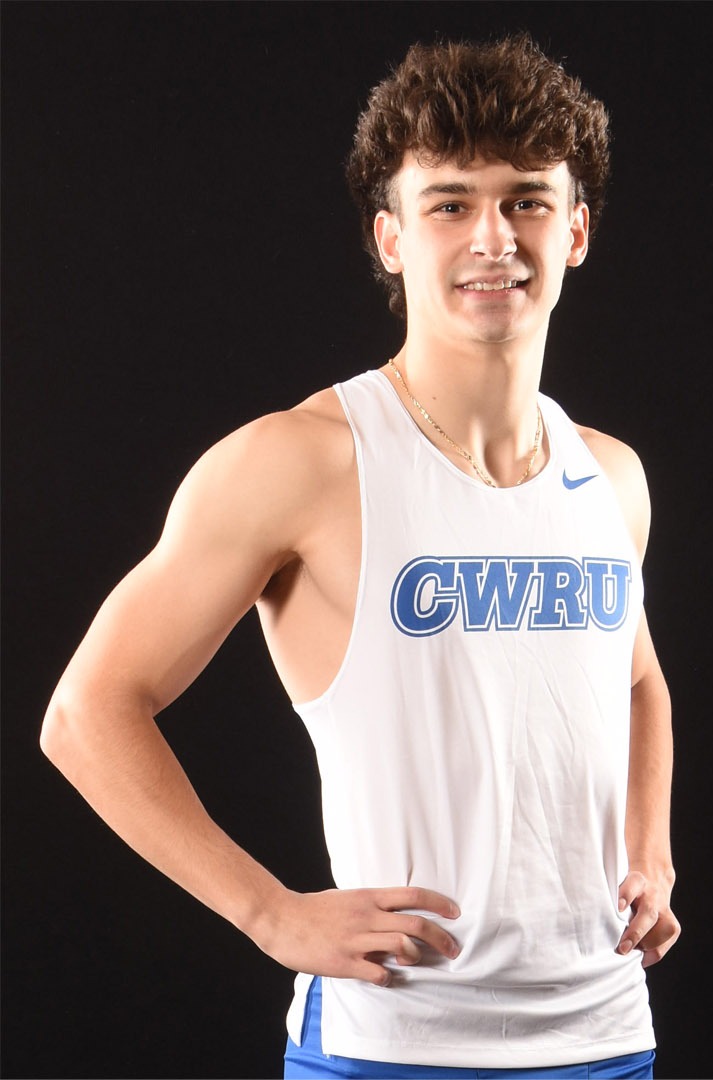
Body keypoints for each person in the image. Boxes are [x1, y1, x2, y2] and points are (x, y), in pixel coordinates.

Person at [39, 34, 676, 1078]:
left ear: (577, 231)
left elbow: (638, 680)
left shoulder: (612, 476)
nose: (493, 237)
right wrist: (270, 915)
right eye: (449, 203)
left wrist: (649, 846)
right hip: (393, 1043)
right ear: (390, 238)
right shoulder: (304, 460)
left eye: (526, 200)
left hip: (603, 1034)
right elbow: (87, 712)